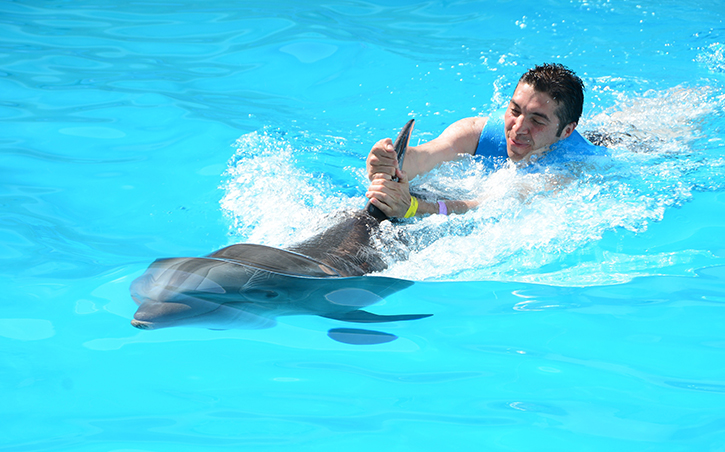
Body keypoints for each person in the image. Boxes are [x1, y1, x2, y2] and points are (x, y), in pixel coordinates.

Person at [365, 63, 596, 218]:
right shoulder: (474, 132)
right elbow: (425, 156)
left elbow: (485, 206)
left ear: (567, 131)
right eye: (515, 110)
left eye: (537, 120)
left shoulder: (566, 172)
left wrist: (414, 208)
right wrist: (387, 162)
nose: (518, 128)